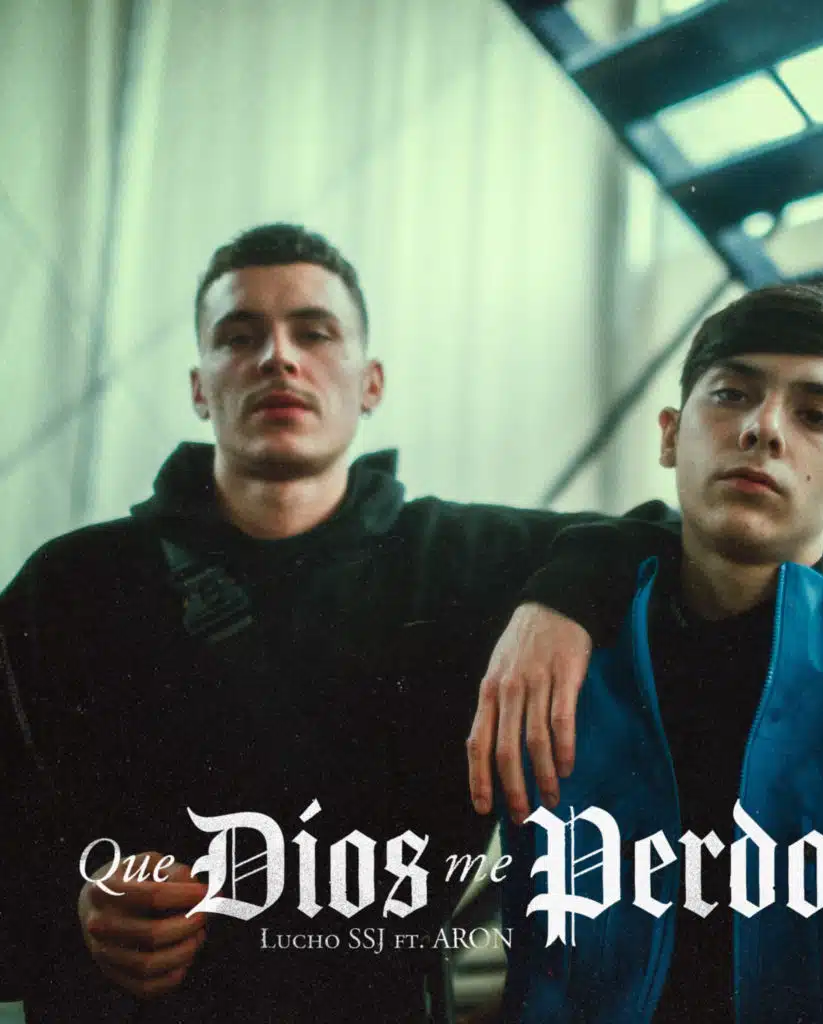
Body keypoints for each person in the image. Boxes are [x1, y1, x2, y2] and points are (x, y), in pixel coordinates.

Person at [0, 223, 674, 1022]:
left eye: (314, 333)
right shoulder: (72, 585)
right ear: (199, 387)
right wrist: (75, 911)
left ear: (371, 383)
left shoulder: (467, 561)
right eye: (239, 336)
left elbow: (661, 538)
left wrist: (557, 602)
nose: (278, 358)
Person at [495, 283, 823, 1023]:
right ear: (670, 436)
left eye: (815, 415)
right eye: (731, 395)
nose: (764, 428)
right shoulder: (559, 670)